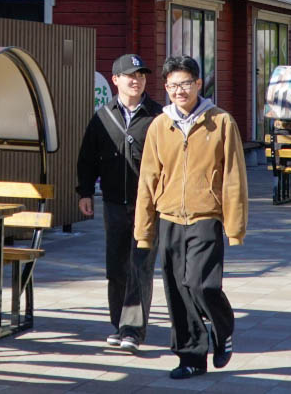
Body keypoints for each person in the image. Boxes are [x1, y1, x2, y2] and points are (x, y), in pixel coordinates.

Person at [134, 56, 247, 380]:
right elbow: (148, 178)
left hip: (205, 216)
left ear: (198, 84)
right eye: (172, 85)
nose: (179, 90)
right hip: (169, 216)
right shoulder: (160, 124)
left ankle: (223, 327)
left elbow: (233, 175)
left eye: (185, 83)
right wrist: (144, 230)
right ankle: (191, 357)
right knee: (177, 290)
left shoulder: (221, 121)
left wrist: (234, 226)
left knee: (201, 284)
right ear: (166, 88)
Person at [76, 53, 161, 352]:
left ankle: (133, 331)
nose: (136, 80)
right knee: (116, 267)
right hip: (113, 203)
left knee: (140, 266)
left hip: (148, 205)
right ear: (115, 80)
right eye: (130, 75)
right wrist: (84, 192)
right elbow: (87, 159)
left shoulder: (158, 116)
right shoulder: (102, 117)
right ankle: (119, 324)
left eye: (141, 75)